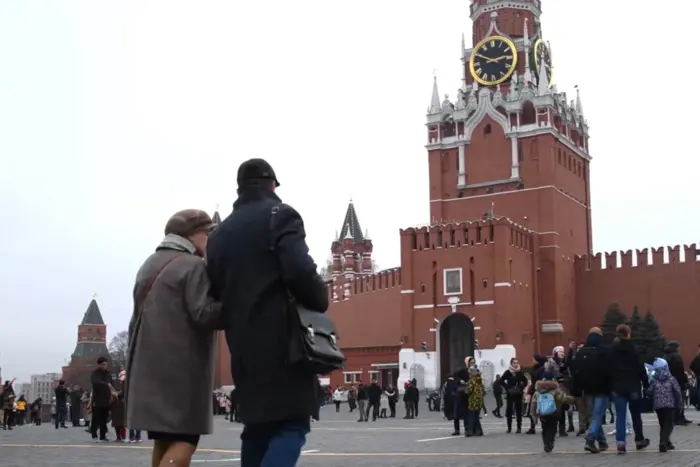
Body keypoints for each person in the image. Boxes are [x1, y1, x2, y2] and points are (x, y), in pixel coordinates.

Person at [206, 159, 328, 467]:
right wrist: (318, 297)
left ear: (240, 188)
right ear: (272, 184)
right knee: (291, 423)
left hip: (241, 345)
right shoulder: (280, 215)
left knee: (257, 428)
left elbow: (216, 290)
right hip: (284, 343)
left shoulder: (218, 235)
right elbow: (300, 270)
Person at [126, 209, 223, 467]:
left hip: (148, 367)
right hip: (182, 370)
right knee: (185, 439)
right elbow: (204, 313)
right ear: (193, 235)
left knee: (163, 440)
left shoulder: (149, 264)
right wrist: (234, 304)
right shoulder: (191, 265)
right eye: (207, 234)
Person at [608, 324, 650, 454]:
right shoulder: (634, 349)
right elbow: (641, 368)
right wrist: (646, 384)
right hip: (633, 387)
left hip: (618, 387)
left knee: (620, 416)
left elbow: (608, 369)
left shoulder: (612, 349)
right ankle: (639, 440)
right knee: (636, 415)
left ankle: (621, 444)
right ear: (628, 333)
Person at [571, 328, 612, 453]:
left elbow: (575, 372)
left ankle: (602, 442)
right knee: (598, 415)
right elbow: (609, 372)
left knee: (595, 415)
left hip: (587, 389)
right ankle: (590, 439)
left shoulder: (581, 352)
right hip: (602, 388)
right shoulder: (605, 351)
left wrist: (577, 389)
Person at [530, 363, 575, 453]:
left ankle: (546, 443)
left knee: (545, 429)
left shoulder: (537, 391)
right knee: (553, 428)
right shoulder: (555, 390)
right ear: (553, 379)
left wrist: (534, 416)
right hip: (554, 413)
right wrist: (574, 399)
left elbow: (533, 404)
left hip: (542, 413)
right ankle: (550, 442)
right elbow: (563, 398)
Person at [648, 358, 682, 452]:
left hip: (658, 406)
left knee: (662, 424)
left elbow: (649, 392)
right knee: (669, 425)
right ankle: (663, 442)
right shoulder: (671, 379)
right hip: (670, 406)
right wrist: (679, 404)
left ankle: (667, 442)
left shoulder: (654, 381)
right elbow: (677, 392)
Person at [498, 358, 528, 433]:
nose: (516, 364)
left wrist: (521, 387)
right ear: (511, 364)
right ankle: (509, 428)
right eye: (514, 363)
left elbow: (525, 381)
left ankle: (519, 428)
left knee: (518, 411)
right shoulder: (508, 372)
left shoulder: (520, 372)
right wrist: (507, 387)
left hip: (518, 393)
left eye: (517, 363)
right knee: (509, 411)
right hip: (510, 394)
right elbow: (501, 381)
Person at [90, 357, 116, 442]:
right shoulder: (95, 373)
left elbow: (112, 384)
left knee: (104, 418)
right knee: (96, 417)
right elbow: (95, 382)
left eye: (106, 364)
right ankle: (94, 435)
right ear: (99, 364)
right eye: (103, 364)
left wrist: (113, 391)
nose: (105, 366)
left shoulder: (108, 374)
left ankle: (103, 435)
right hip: (97, 399)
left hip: (106, 399)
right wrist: (106, 384)